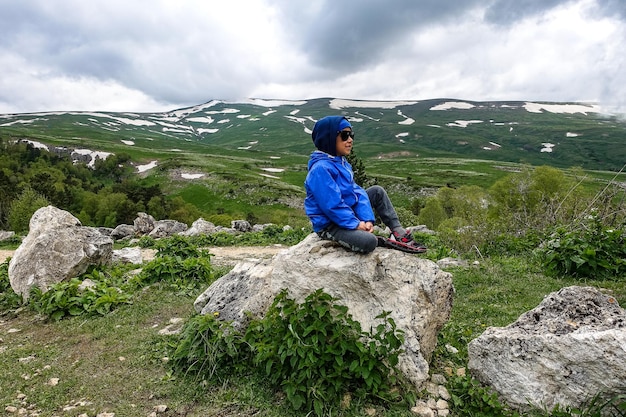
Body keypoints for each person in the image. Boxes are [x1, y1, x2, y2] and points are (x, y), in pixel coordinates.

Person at [304, 115, 427, 254]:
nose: (350, 140)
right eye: (344, 135)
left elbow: (357, 192)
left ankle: (398, 232)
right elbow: (332, 205)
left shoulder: (341, 162)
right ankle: (377, 240)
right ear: (329, 138)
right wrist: (355, 224)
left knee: (376, 191)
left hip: (347, 215)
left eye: (351, 135)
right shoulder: (320, 170)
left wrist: (366, 219)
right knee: (369, 242)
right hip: (330, 225)